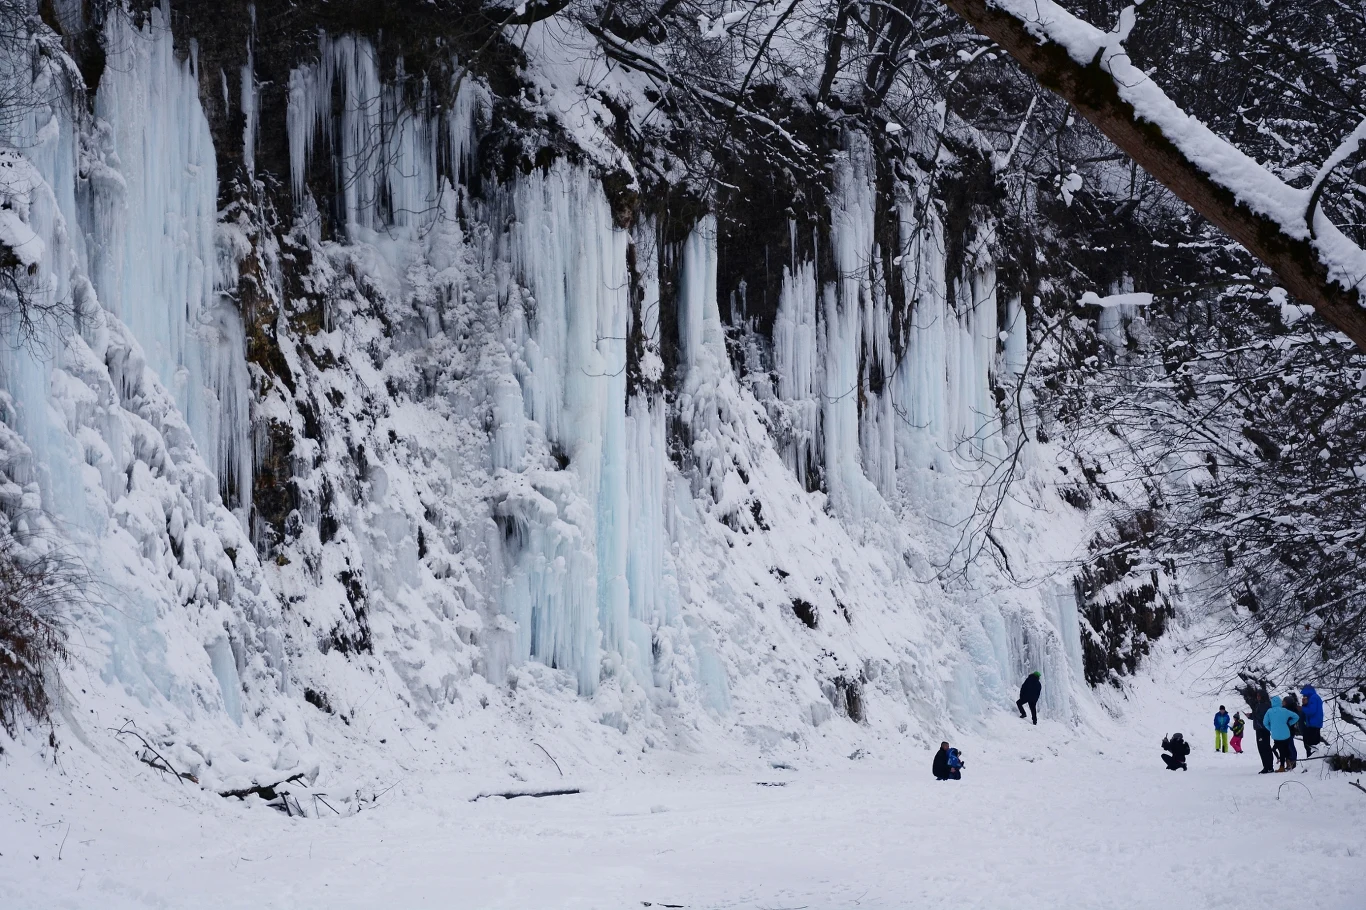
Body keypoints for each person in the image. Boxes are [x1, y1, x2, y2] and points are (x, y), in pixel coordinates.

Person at [1263, 695, 1300, 772]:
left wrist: (1271, 728)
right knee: (1286, 749)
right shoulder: (1284, 710)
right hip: (1286, 733)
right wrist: (1289, 723)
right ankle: (1288, 763)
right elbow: (1296, 717)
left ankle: (1282, 766)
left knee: (1280, 750)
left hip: (1276, 734)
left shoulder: (1269, 711)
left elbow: (1265, 723)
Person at [1250, 689, 1275, 774]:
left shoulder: (1264, 705)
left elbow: (1261, 716)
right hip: (1261, 728)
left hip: (1262, 729)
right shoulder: (1262, 704)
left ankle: (1268, 767)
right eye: (1257, 696)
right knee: (1265, 747)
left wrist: (1252, 715)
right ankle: (1268, 767)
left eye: (1259, 696)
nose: (1257, 697)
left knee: (1264, 748)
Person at [1300, 686, 1324, 757]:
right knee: (1311, 744)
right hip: (1315, 724)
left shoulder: (1313, 698)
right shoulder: (1315, 697)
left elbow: (1311, 711)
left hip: (1313, 724)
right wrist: (1305, 704)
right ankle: (1312, 760)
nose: (1303, 696)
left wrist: (1302, 708)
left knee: (1311, 745)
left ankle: (1312, 761)